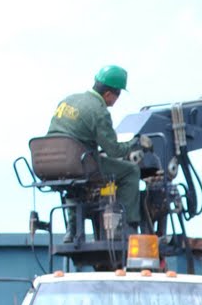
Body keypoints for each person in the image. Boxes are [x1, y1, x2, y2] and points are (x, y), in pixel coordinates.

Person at [46, 65, 143, 234]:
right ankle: (126, 227)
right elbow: (114, 151)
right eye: (117, 95)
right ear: (108, 94)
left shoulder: (68, 100)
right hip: (80, 164)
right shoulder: (99, 112)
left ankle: (72, 230)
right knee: (131, 171)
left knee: (72, 180)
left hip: (51, 162)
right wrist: (134, 144)